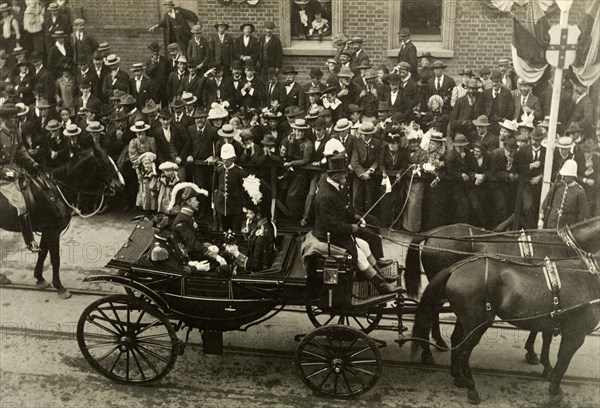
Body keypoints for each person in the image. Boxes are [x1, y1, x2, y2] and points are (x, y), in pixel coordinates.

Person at [312, 154, 399, 294]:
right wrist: (351, 227)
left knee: (364, 245)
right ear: (335, 176)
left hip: (336, 232)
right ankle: (381, 286)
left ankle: (380, 276)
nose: (346, 177)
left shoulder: (334, 188)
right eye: (343, 174)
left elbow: (343, 209)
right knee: (359, 255)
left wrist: (354, 217)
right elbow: (331, 225)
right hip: (328, 236)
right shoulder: (326, 196)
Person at [0, 103, 40, 251]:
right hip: (3, 178)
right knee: (22, 205)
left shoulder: (15, 131)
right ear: (4, 119)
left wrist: (33, 163)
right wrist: (10, 173)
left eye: (16, 117)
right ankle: (29, 241)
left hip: (17, 170)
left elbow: (21, 150)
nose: (16, 120)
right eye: (12, 118)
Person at [169, 182, 229, 270]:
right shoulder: (182, 220)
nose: (198, 202)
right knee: (221, 258)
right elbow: (193, 242)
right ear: (188, 202)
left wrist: (209, 245)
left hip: (195, 250)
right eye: (195, 200)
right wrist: (215, 256)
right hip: (188, 256)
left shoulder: (187, 216)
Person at [540, 159, 588, 229]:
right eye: (563, 175)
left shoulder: (579, 191)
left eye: (567, 176)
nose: (564, 177)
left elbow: (583, 213)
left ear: (573, 176)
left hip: (566, 226)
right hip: (551, 222)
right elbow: (547, 201)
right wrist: (541, 218)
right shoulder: (557, 185)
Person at [214, 143, 246, 231]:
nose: (225, 161)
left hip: (235, 205)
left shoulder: (239, 171)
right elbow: (215, 186)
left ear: (232, 159)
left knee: (235, 229)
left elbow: (243, 189)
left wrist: (244, 205)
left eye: (227, 159)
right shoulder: (219, 169)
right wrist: (215, 203)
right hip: (221, 204)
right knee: (224, 229)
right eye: (223, 159)